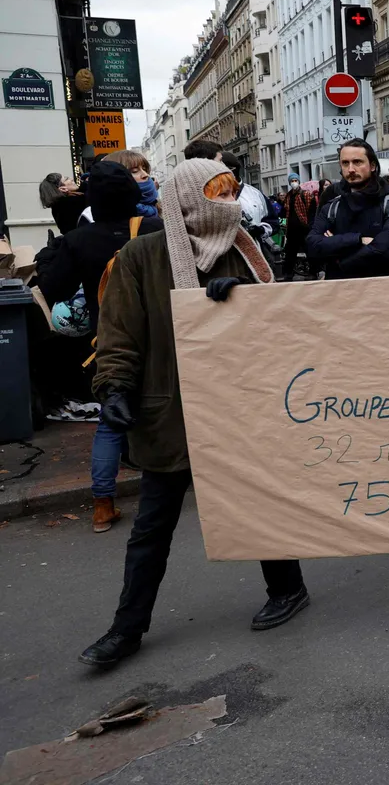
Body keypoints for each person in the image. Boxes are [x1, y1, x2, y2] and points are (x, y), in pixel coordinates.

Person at [79, 158, 308, 668]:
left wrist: (247, 303)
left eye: (230, 191)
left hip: (239, 409)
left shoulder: (247, 253)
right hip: (171, 413)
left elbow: (284, 326)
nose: (227, 202)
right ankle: (127, 628)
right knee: (152, 529)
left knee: (259, 505)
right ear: (186, 197)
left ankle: (288, 588)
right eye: (215, 192)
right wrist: (114, 386)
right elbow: (119, 332)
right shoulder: (140, 257)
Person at [33, 161, 165, 532]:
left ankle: (103, 506)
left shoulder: (77, 239)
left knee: (110, 420)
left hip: (106, 340)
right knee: (165, 408)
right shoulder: (154, 229)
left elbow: (54, 289)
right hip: (157, 335)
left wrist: (49, 257)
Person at [306, 140, 389, 280]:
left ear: (372, 166)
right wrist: (358, 240)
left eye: (357, 162)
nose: (351, 169)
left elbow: (386, 249)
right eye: (345, 163)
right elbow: (312, 245)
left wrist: (340, 260)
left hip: (383, 291)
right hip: (341, 294)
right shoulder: (332, 207)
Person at [220, 151, 280, 245]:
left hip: (253, 249)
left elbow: (273, 222)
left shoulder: (255, 194)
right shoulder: (211, 194)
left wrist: (261, 230)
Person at [279, 173, 316, 281]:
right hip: (291, 229)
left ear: (299, 181)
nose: (294, 182)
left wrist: (310, 225)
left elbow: (312, 210)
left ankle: (313, 272)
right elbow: (285, 211)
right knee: (290, 253)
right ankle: (288, 273)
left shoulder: (305, 194)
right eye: (292, 180)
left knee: (309, 251)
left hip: (303, 228)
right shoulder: (288, 196)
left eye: (295, 180)